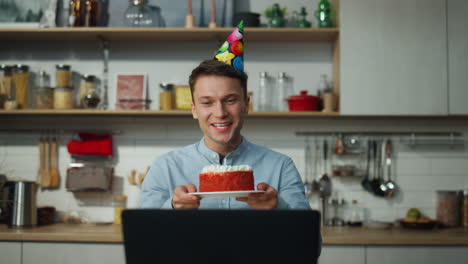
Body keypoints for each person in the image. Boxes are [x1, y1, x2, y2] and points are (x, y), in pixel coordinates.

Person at [140, 59, 310, 210]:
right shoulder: (165, 168)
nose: (220, 113)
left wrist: (278, 207)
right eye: (207, 103)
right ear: (194, 109)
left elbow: (310, 243)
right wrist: (172, 207)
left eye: (230, 100)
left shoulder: (281, 167)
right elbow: (142, 241)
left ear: (246, 105)